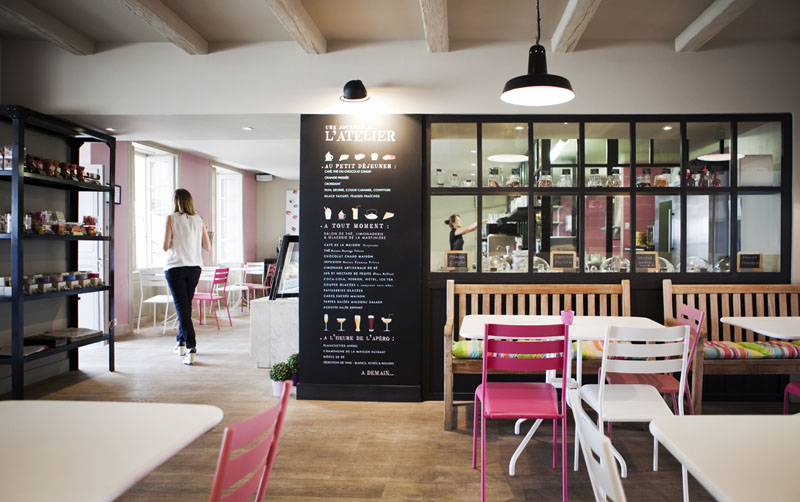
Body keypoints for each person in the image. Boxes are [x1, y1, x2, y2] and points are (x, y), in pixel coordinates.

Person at [163, 188, 211, 365]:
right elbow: (207, 246)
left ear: (176, 201)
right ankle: (181, 342)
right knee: (185, 306)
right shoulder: (199, 220)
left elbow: (165, 246)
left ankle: (191, 346)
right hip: (194, 268)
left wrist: (175, 241)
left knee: (182, 307)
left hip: (175, 267)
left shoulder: (171, 218)